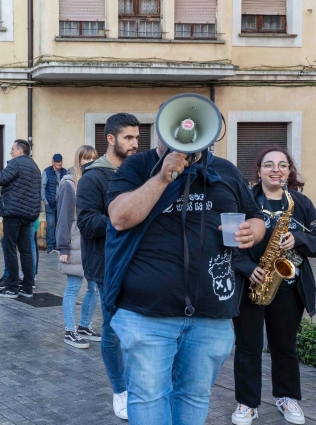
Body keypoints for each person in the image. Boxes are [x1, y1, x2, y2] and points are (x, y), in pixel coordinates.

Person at [105, 135, 266, 425]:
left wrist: (253, 231)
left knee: (195, 396)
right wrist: (162, 178)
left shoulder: (226, 170)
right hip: (146, 313)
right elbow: (119, 218)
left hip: (211, 314)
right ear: (161, 133)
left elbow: (255, 217)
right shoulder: (138, 166)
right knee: (148, 396)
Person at [231, 146, 316, 425]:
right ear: (258, 171)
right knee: (248, 347)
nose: (275, 170)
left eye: (282, 165)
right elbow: (229, 244)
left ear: (289, 171)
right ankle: (247, 403)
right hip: (252, 283)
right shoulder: (243, 201)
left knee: (285, 347)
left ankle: (286, 397)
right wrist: (246, 267)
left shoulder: (301, 203)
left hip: (289, 287)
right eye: (268, 165)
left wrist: (299, 240)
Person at [76, 113, 140, 420]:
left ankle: (138, 383)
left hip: (139, 264)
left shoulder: (139, 174)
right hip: (107, 266)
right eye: (128, 138)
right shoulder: (93, 177)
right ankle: (120, 390)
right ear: (111, 139)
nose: (135, 144)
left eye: (137, 138)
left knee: (139, 330)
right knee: (113, 332)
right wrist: (124, 218)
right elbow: (87, 223)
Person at [57, 145, 100, 349]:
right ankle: (70, 330)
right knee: (73, 288)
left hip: (93, 244)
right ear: (78, 160)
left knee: (95, 288)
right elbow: (63, 218)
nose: (90, 161)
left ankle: (84, 326)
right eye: (86, 158)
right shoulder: (69, 184)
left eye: (93, 158)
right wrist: (63, 248)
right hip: (75, 244)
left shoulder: (93, 181)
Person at [0, 139, 42, 299]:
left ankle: (11, 287)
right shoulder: (34, 166)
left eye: (12, 149)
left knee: (10, 249)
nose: (10, 152)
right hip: (28, 215)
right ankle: (27, 288)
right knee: (26, 251)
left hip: (13, 213)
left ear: (20, 151)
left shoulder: (16, 163)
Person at [42, 153, 67, 253]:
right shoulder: (47, 172)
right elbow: (42, 186)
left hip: (61, 204)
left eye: (60, 161)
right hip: (50, 204)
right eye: (57, 162)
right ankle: (50, 245)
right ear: (53, 162)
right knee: (51, 224)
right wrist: (45, 201)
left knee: (60, 225)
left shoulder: (65, 172)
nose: (59, 163)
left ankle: (58, 244)